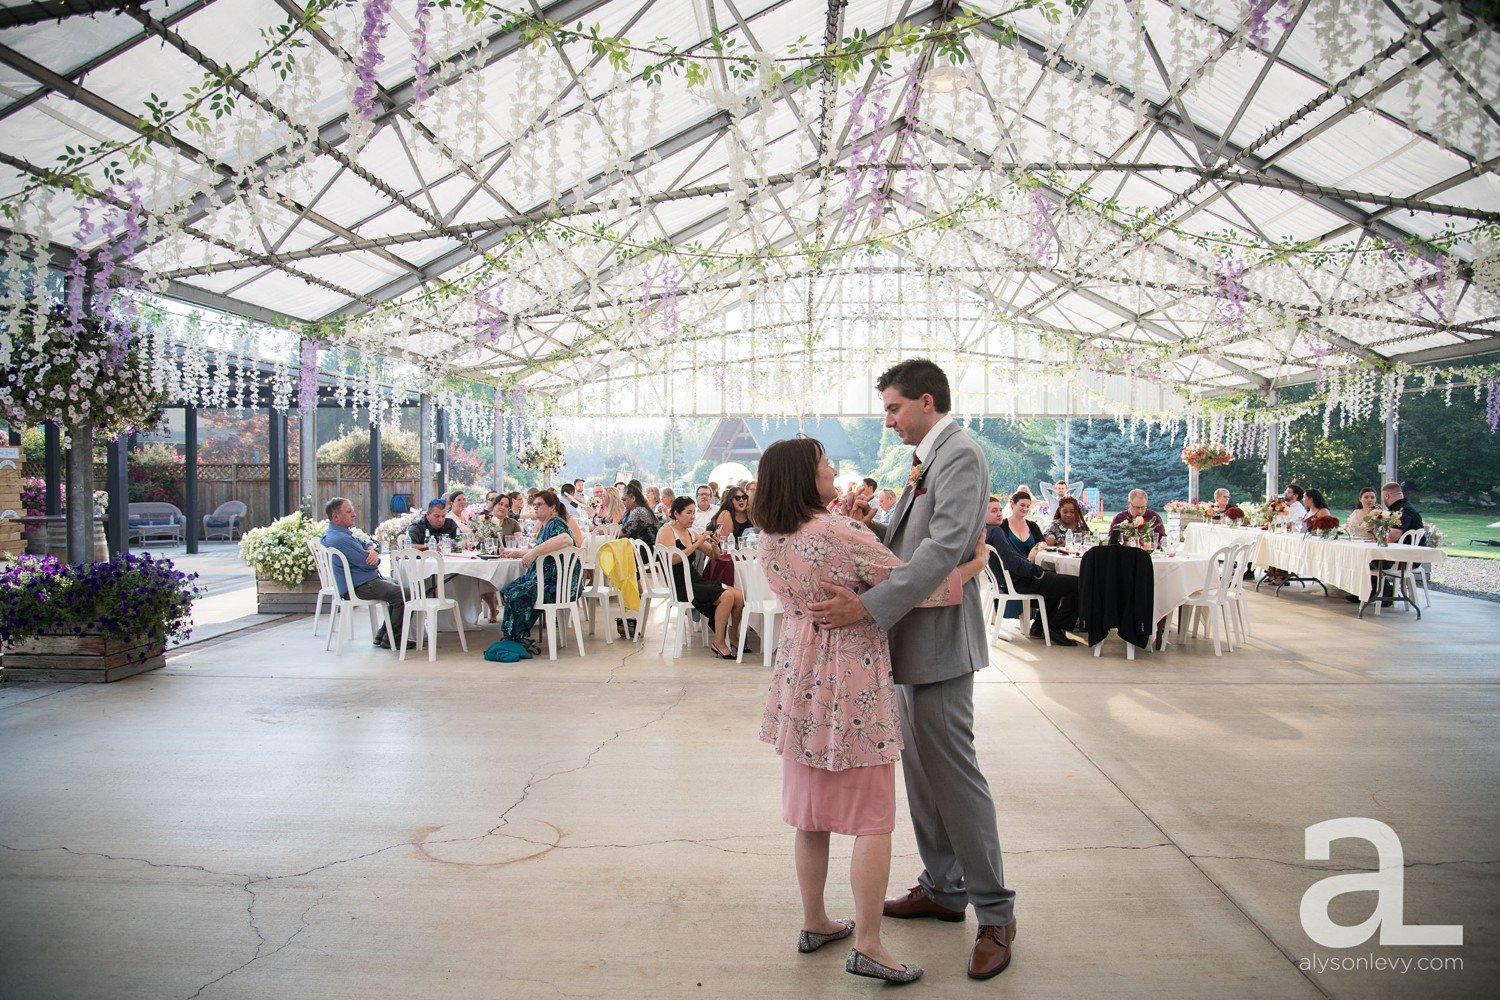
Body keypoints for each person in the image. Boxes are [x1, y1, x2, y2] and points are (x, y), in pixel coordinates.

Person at [807, 358, 1018, 981]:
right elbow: (913, 544)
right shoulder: (931, 455)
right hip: (912, 641)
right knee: (924, 775)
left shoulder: (960, 454)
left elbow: (948, 545)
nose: (889, 422)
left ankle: (997, 913)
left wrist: (870, 608)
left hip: (941, 642)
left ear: (927, 402)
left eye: (894, 409)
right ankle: (943, 888)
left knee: (954, 775)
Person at [757, 436, 989, 985]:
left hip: (799, 681)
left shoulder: (770, 538)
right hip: (850, 682)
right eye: (823, 465)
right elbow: (918, 587)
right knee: (872, 820)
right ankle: (868, 944)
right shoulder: (841, 534)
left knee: (810, 815)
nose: (834, 470)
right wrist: (974, 563)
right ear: (803, 478)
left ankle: (814, 920)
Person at [497, 490, 584, 655]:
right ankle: (516, 635)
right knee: (508, 589)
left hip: (559, 585)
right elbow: (544, 550)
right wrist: (518, 553)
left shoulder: (556, 523)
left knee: (517, 593)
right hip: (545, 581)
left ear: (552, 507)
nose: (535, 508)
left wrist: (532, 553)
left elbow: (566, 539)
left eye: (540, 505)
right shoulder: (545, 526)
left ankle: (516, 638)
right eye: (534, 505)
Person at [657, 496, 743, 658]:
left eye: (693, 513)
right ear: (676, 513)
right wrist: (696, 544)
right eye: (688, 513)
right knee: (727, 596)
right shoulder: (667, 530)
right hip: (681, 584)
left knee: (739, 596)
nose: (692, 517)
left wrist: (715, 544)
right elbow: (673, 559)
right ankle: (719, 642)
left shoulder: (690, 532)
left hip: (695, 580)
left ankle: (732, 636)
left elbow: (714, 555)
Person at [320, 497, 411, 649]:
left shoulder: (339, 533)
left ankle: (383, 634)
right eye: (349, 512)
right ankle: (392, 639)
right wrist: (374, 558)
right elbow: (368, 564)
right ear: (335, 517)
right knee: (405, 594)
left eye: (352, 511)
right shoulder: (340, 539)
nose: (354, 514)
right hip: (361, 587)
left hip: (364, 583)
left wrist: (371, 549)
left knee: (399, 587)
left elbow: (366, 543)